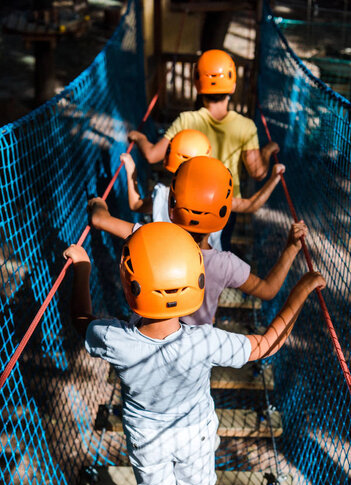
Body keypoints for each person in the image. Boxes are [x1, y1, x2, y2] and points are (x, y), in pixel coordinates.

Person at [64, 221, 325, 485]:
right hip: (195, 434)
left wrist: (82, 266)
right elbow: (265, 344)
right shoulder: (203, 340)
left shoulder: (114, 338)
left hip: (146, 437)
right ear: (196, 283)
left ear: (131, 286)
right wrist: (301, 292)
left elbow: (81, 319)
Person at [89, 155, 306, 326]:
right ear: (223, 213)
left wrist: (98, 202)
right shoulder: (225, 264)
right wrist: (292, 248)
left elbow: (100, 219)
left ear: (173, 203)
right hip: (197, 351)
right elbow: (268, 290)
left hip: (148, 337)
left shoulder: (151, 237)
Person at [127, 50, 279, 199]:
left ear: (197, 86)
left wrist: (139, 137)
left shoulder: (186, 120)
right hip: (226, 204)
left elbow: (152, 155)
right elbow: (258, 172)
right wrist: (268, 150)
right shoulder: (246, 126)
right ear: (232, 87)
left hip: (190, 201)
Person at [120, 128, 285, 251]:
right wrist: (274, 178)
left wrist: (131, 171)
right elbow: (251, 205)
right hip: (205, 268)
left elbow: (135, 205)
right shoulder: (214, 197)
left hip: (166, 261)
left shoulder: (162, 193)